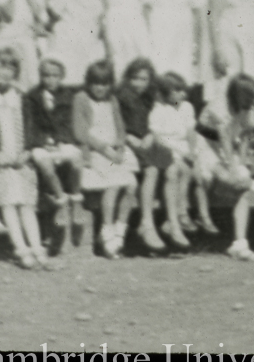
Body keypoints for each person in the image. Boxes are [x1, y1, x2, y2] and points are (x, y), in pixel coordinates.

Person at [0, 49, 50, 268]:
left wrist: (28, 149)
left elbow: (33, 126)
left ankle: (37, 247)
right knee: (8, 203)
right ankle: (20, 248)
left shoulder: (21, 98)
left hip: (20, 157)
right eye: (1, 66)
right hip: (0, 159)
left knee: (26, 204)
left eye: (11, 68)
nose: (5, 72)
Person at [203, 74, 254, 260]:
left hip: (229, 151)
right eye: (248, 97)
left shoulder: (249, 108)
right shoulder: (218, 107)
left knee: (242, 186)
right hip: (206, 147)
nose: (252, 101)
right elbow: (221, 141)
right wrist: (232, 167)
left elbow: (246, 135)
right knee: (231, 178)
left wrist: (242, 162)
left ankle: (239, 244)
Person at [73, 58, 137, 257]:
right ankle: (106, 229)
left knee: (132, 185)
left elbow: (120, 128)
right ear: (88, 82)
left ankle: (120, 230)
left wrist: (119, 146)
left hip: (114, 152)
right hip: (95, 152)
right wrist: (106, 150)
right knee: (114, 184)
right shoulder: (81, 98)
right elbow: (81, 132)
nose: (100, 88)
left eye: (104, 84)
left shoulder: (113, 100)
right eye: (95, 83)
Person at [23, 56, 85, 252]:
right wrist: (43, 141)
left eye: (55, 76)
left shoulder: (68, 96)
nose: (50, 80)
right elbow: (30, 124)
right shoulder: (32, 97)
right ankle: (61, 200)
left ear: (62, 77)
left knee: (76, 161)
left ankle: (75, 200)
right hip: (43, 144)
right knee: (45, 165)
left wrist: (60, 140)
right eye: (46, 76)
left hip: (63, 141)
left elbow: (70, 123)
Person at [114, 57, 173, 251]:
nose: (139, 83)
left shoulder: (149, 97)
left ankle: (174, 219)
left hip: (143, 140)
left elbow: (149, 123)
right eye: (135, 78)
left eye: (144, 79)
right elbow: (116, 123)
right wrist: (130, 138)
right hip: (126, 141)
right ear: (128, 78)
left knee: (173, 165)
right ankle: (146, 223)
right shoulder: (120, 96)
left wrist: (149, 135)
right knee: (151, 170)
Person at [150, 71, 213, 243]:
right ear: (165, 94)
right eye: (176, 91)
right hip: (167, 148)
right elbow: (158, 138)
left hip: (185, 147)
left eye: (182, 90)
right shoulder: (159, 110)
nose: (182, 94)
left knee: (196, 171)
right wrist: (182, 152)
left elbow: (191, 132)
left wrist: (192, 151)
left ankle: (193, 214)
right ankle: (181, 213)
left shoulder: (187, 107)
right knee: (181, 170)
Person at [45, 0, 107, 85]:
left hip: (88, 43)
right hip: (68, 43)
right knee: (69, 75)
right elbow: (52, 19)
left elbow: (100, 23)